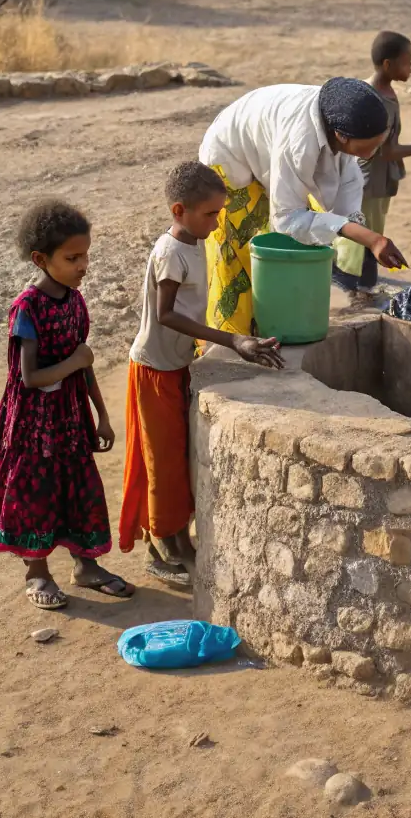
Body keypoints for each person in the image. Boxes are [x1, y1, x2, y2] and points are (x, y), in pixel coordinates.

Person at [119, 161, 284, 584]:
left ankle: (177, 540)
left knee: (179, 456)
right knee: (163, 463)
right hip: (155, 368)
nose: (216, 221)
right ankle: (164, 548)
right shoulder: (171, 252)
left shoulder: (194, 243)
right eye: (209, 214)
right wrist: (232, 340)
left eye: (218, 212)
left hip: (176, 364)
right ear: (179, 210)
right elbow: (167, 313)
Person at [0, 200, 134, 610]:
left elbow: (85, 365)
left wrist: (101, 415)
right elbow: (31, 378)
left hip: (69, 417)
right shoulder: (26, 309)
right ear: (40, 259)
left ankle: (86, 566)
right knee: (36, 495)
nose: (83, 265)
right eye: (72, 257)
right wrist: (76, 362)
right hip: (33, 426)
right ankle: (37, 573)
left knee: (79, 489)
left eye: (86, 256)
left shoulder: (74, 301)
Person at [198, 78, 408, 334]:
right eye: (369, 146)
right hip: (231, 158)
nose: (373, 153)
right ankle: (232, 340)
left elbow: (348, 186)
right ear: (341, 135)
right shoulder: (299, 141)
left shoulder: (340, 120)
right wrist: (370, 239)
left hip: (266, 152)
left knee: (281, 245)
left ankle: (270, 323)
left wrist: (364, 237)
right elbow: (286, 218)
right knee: (238, 257)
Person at [333, 31, 411, 295]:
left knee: (371, 228)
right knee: (359, 234)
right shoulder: (372, 98)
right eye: (408, 62)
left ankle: (362, 286)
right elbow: (385, 150)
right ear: (388, 64)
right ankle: (349, 288)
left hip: (380, 180)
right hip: (366, 180)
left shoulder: (385, 93)